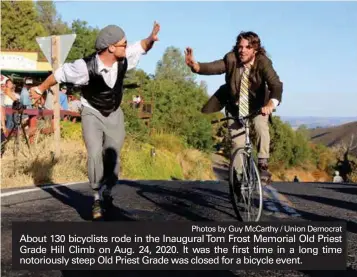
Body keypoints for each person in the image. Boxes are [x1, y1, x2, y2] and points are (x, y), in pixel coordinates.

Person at [30, 21, 161, 219]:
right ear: (110, 47)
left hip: (115, 113)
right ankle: (97, 197)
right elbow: (59, 74)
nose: (127, 47)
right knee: (94, 153)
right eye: (123, 44)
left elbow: (142, 46)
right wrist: (40, 89)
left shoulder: (123, 57)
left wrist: (151, 39)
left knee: (112, 154)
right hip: (91, 112)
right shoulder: (83, 67)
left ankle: (108, 190)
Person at [185, 31, 283, 185]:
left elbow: (276, 84)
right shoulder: (231, 58)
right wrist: (195, 66)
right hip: (235, 107)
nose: (242, 50)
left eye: (247, 47)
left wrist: (271, 104)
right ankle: (237, 179)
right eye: (240, 47)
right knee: (238, 143)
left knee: (260, 126)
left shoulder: (263, 62)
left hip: (259, 106)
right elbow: (213, 67)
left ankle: (263, 164)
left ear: (255, 49)